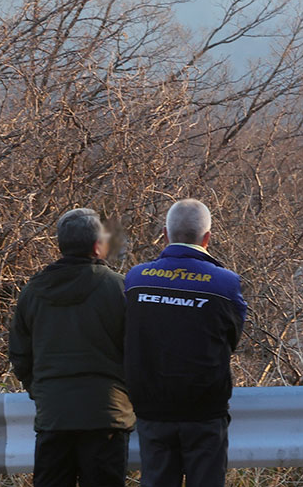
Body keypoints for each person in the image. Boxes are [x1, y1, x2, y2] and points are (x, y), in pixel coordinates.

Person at [124, 199, 247, 487]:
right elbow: (233, 338)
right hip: (204, 411)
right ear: (207, 238)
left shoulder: (136, 279)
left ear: (165, 235)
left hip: (151, 409)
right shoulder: (225, 283)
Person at [9, 207, 134, 487]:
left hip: (54, 414)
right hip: (107, 414)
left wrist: (41, 390)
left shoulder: (33, 291)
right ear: (98, 245)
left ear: (60, 245)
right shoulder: (120, 289)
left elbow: (19, 354)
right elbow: (137, 352)